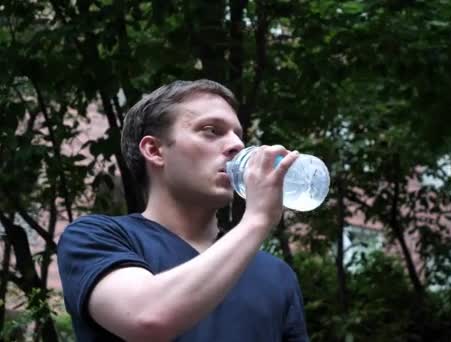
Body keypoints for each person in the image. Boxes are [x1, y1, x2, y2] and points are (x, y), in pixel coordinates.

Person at [57, 79, 309, 341]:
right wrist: (257, 220)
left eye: (238, 135)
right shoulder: (95, 237)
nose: (237, 145)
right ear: (154, 150)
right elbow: (146, 318)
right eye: (211, 130)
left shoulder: (276, 275)